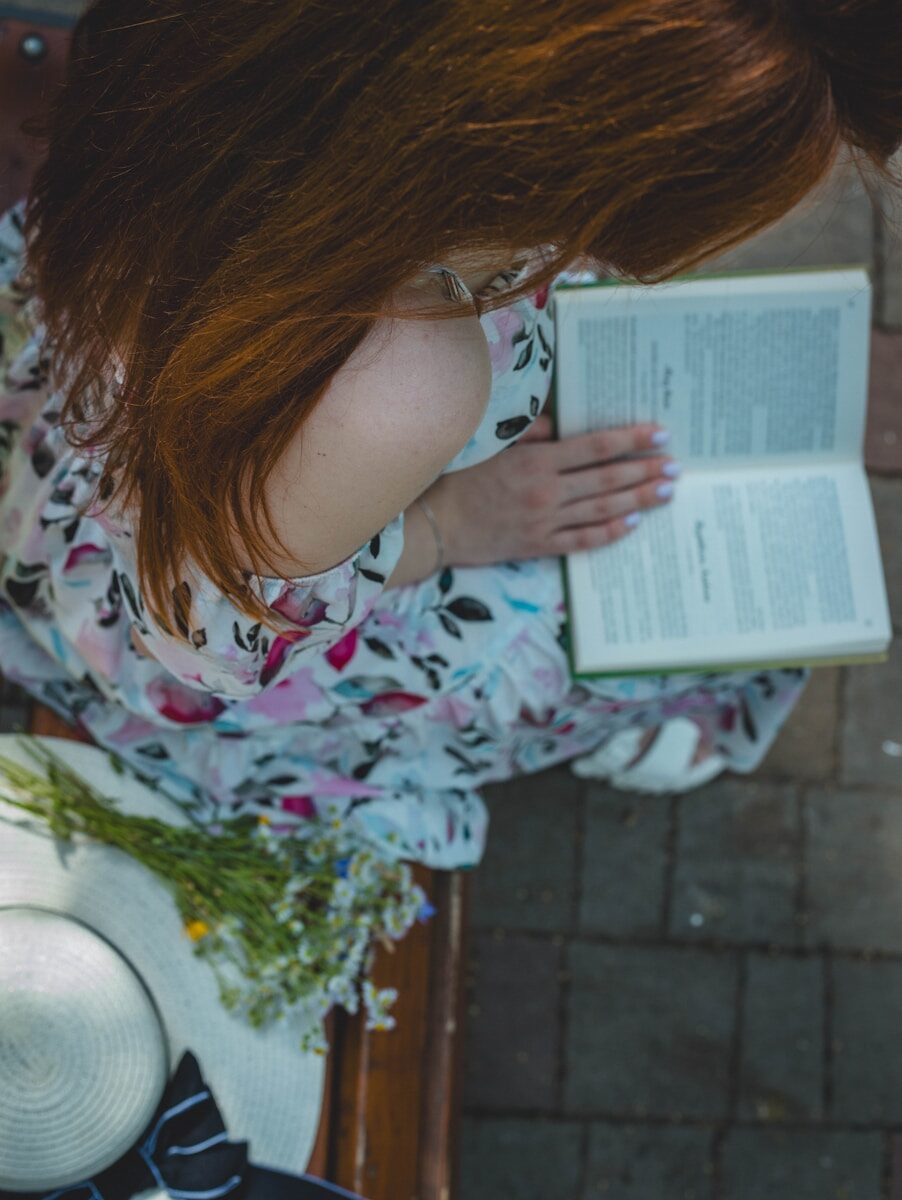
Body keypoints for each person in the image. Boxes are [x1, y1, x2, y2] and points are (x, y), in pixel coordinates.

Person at [0, 0, 898, 870]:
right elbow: (213, 641)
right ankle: (656, 717)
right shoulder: (405, 382)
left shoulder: (284, 54)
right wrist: (450, 525)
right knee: (678, 623)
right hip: (180, 601)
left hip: (95, 391)